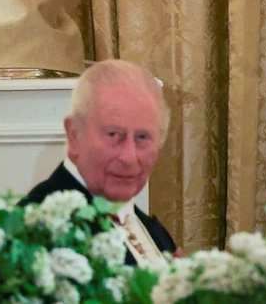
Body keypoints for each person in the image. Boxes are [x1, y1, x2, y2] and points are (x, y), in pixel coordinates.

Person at [21, 59, 177, 266]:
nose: (129, 158)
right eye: (113, 135)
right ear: (74, 134)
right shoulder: (38, 229)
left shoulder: (155, 233)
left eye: (142, 138)